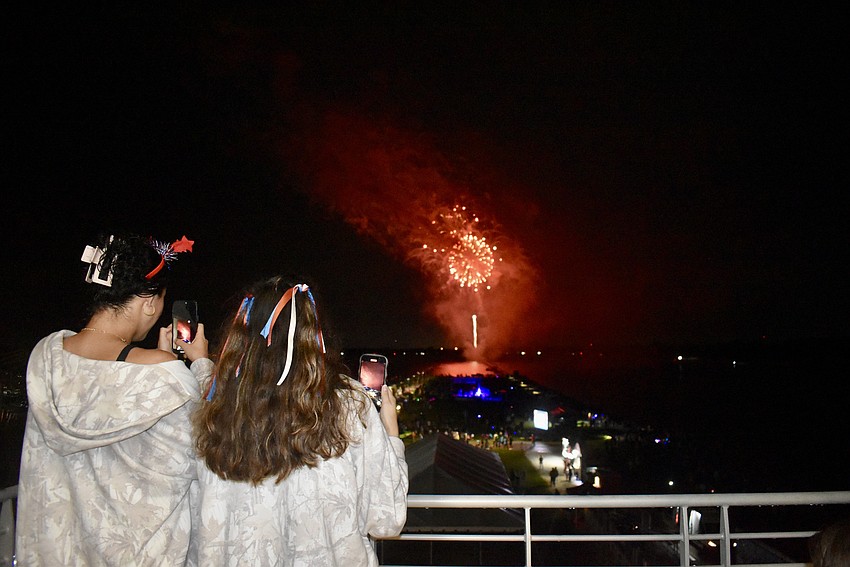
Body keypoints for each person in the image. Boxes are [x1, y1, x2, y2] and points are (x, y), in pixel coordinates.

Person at [15, 232, 212, 566]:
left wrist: (160, 363)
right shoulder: (164, 374)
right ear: (149, 302)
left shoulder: (46, 358)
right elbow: (206, 454)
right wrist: (200, 366)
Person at [189, 276, 408, 567]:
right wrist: (391, 435)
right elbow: (385, 520)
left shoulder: (214, 411)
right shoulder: (348, 406)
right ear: (312, 334)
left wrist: (200, 364)